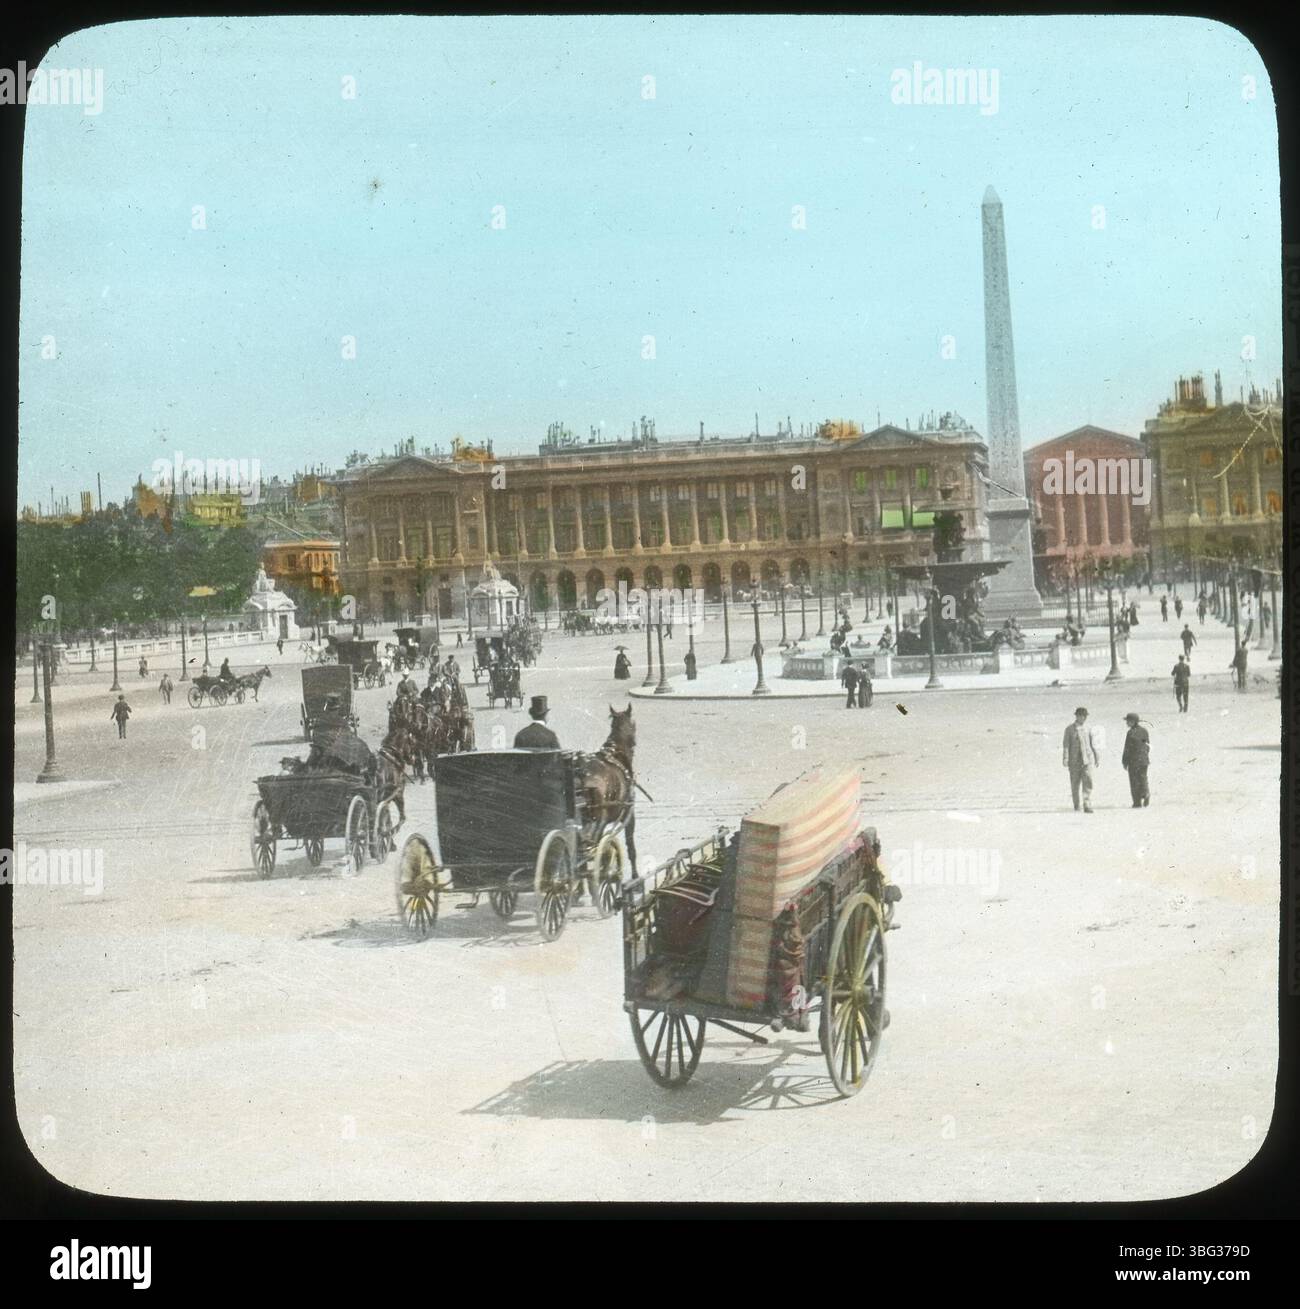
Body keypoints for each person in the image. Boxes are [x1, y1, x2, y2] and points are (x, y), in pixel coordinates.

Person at [1061, 706, 1101, 813]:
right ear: (1077, 716)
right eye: (1081, 716)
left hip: (1087, 760)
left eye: (1085, 716)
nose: (1083, 718)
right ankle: (1076, 805)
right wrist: (1065, 758)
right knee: (1075, 784)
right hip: (1074, 761)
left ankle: (1087, 804)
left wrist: (1097, 756)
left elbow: (1093, 744)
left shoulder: (1088, 729)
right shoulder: (1069, 729)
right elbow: (1066, 745)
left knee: (1088, 782)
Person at [1121, 713, 1150, 808]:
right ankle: (1146, 793)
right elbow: (1147, 746)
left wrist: (1124, 761)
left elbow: (1127, 748)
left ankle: (1137, 802)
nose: (1127, 723)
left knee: (1134, 781)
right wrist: (1145, 756)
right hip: (1144, 760)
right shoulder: (1144, 731)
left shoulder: (1130, 733)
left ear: (1133, 722)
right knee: (1143, 778)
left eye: (1128, 721)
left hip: (1133, 761)